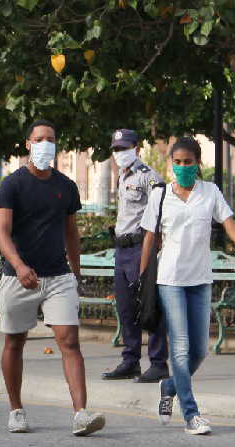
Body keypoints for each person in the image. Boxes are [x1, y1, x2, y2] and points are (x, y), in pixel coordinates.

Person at [139, 137, 235, 435]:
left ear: (199, 163)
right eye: (178, 162)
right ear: (171, 164)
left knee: (199, 350)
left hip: (199, 279)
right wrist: (143, 279)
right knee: (181, 349)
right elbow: (149, 238)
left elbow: (231, 226)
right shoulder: (160, 196)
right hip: (169, 280)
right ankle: (191, 414)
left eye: (189, 162)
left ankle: (169, 385)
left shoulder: (209, 192)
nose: (183, 167)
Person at [0, 119, 106, 436]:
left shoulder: (65, 186)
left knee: (69, 341)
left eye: (51, 139)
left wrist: (76, 270)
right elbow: (1, 232)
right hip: (19, 277)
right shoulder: (11, 185)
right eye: (40, 138)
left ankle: (81, 413)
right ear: (28, 144)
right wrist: (18, 265)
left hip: (58, 276)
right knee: (15, 341)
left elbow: (71, 232)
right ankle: (16, 409)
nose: (46, 144)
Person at [101, 129, 169, 383]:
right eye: (116, 149)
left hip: (143, 247)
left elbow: (161, 215)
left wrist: (154, 252)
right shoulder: (122, 176)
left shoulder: (149, 177)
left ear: (137, 149)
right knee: (126, 308)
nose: (119, 153)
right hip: (122, 249)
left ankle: (158, 362)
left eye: (124, 148)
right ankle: (130, 361)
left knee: (149, 305)